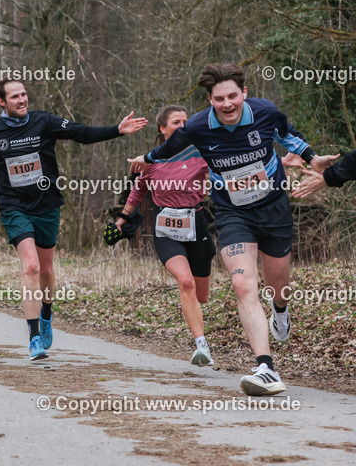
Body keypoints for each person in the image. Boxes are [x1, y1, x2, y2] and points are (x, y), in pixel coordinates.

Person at [129, 62, 337, 396]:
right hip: (231, 212)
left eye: (232, 96)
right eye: (218, 99)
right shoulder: (198, 126)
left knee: (278, 285)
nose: (227, 104)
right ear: (210, 100)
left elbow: (287, 134)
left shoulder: (265, 112)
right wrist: (146, 157)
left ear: (244, 94)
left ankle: (280, 310)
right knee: (242, 283)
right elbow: (169, 148)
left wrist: (312, 159)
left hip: (273, 209)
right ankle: (266, 367)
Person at [0, 78, 148, 360]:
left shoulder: (44, 122)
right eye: (14, 96)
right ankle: (34, 340)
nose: (22, 100)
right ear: (2, 102)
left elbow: (82, 133)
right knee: (29, 267)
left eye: (24, 94)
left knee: (45, 269)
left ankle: (46, 313)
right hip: (13, 206)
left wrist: (117, 129)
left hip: (47, 204)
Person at [108, 105, 216, 366]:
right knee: (185, 283)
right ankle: (201, 345)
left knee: (201, 296)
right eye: (177, 122)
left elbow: (226, 171)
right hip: (166, 229)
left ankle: (195, 316)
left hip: (197, 225)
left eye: (185, 121)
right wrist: (122, 219)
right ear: (163, 128)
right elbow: (138, 191)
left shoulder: (200, 155)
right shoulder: (152, 161)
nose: (183, 126)